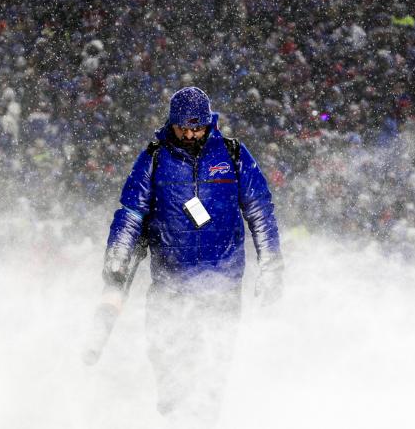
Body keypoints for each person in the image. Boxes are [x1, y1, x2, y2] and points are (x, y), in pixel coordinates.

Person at [100, 86, 284, 427]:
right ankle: (174, 407)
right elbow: (130, 213)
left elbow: (260, 212)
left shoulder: (232, 155)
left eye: (196, 127)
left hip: (222, 281)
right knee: (164, 350)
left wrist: (271, 266)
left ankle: (205, 418)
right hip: (170, 280)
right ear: (171, 123)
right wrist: (117, 258)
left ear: (208, 123)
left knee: (214, 362)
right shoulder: (154, 158)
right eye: (182, 126)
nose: (189, 133)